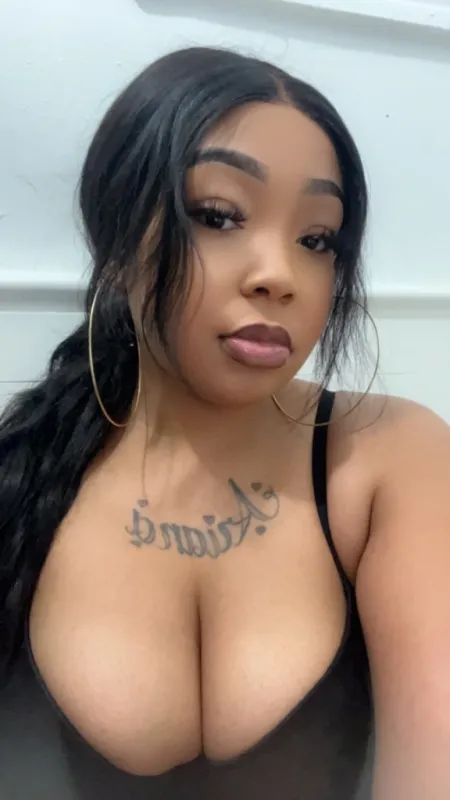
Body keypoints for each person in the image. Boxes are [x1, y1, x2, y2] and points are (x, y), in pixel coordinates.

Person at [0, 45, 449, 800]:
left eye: (317, 239)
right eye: (218, 216)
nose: (278, 275)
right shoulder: (22, 480)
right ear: (118, 241)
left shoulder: (389, 460)